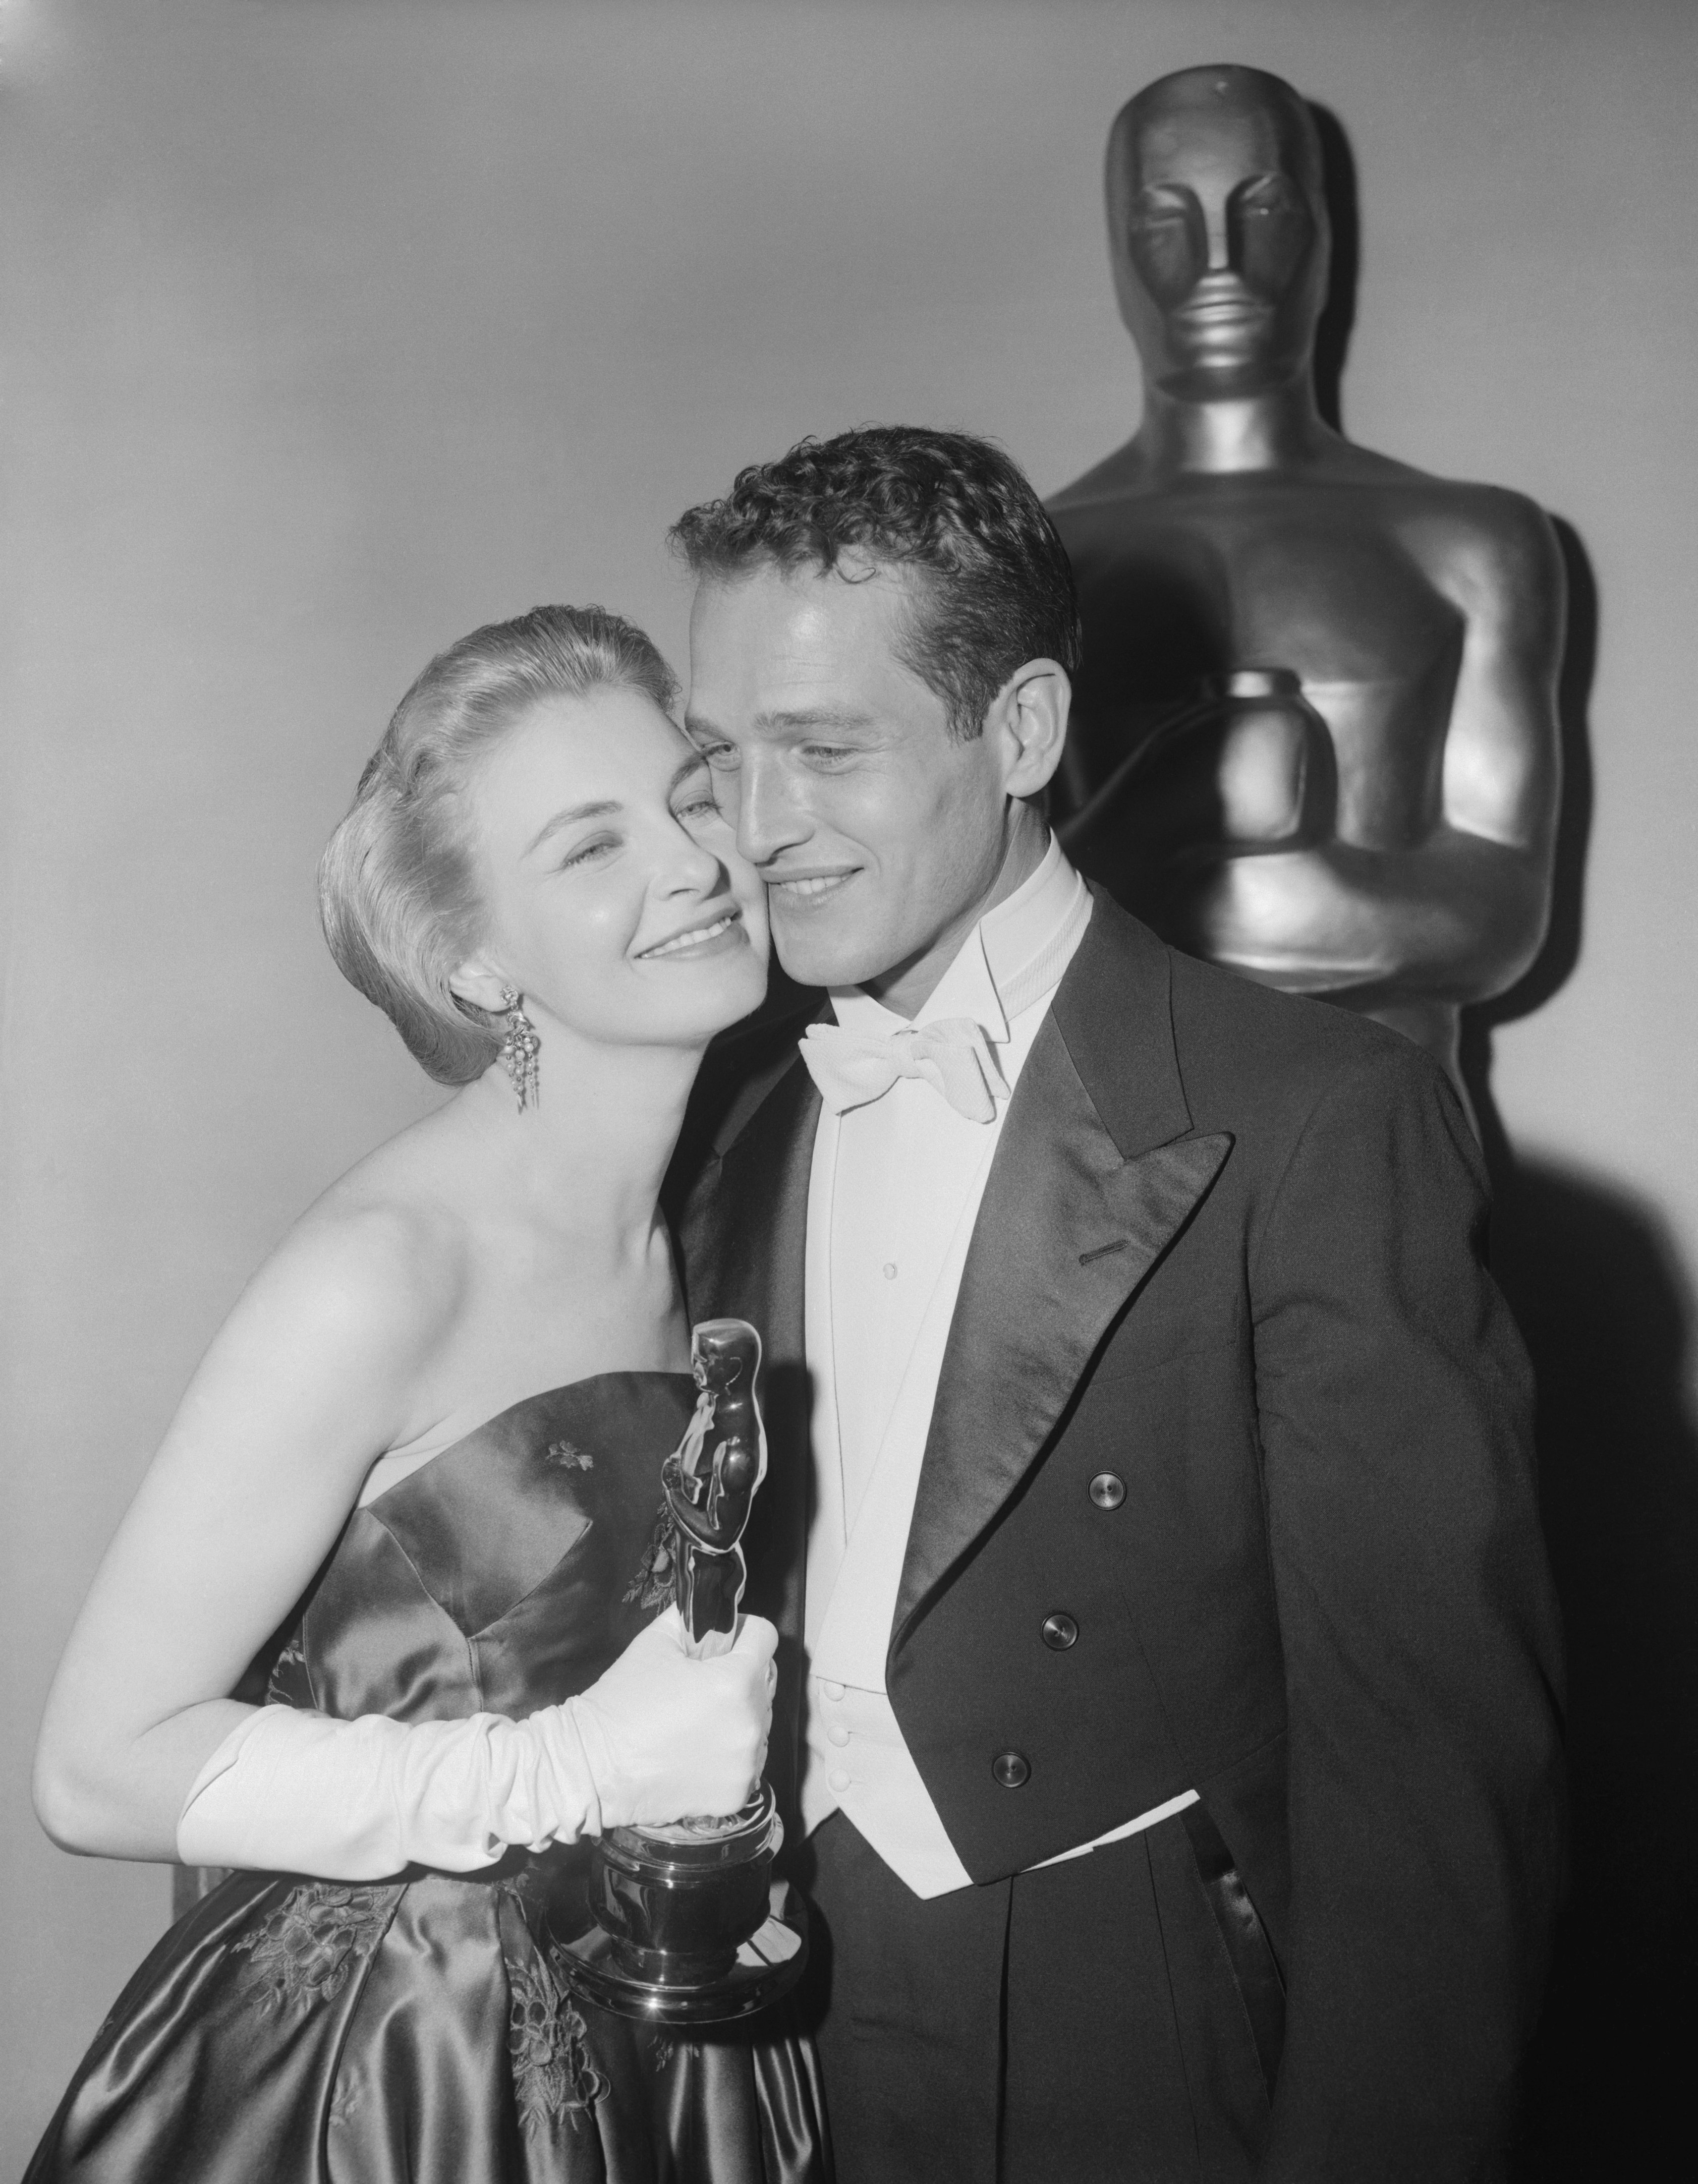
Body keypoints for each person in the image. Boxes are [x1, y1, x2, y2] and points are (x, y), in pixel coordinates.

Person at [666, 426, 1565, 2181]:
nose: (756, 833)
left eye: (824, 750)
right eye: (723, 757)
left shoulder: (1318, 1119)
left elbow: (1431, 1792)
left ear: (1019, 731)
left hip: (1130, 2019)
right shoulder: (741, 1128)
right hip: (786, 2037)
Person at [28, 606, 829, 2183]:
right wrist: (567, 1773)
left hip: (675, 2028)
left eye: (687, 797)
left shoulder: (732, 1192)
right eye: (587, 847)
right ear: (474, 958)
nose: (686, 865)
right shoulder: (384, 1271)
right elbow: (94, 1767)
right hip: (419, 2065)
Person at [1047, 64, 1564, 1110]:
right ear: (1115, 251)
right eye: (1165, 220)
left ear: (1322, 236)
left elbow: (1498, 915)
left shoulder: (1473, 542)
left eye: (1264, 208)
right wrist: (1176, 805)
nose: (1218, 264)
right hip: (1112, 1137)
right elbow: (995, 924)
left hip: (1387, 1137)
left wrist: (1217, 871)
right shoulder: (1038, 560)